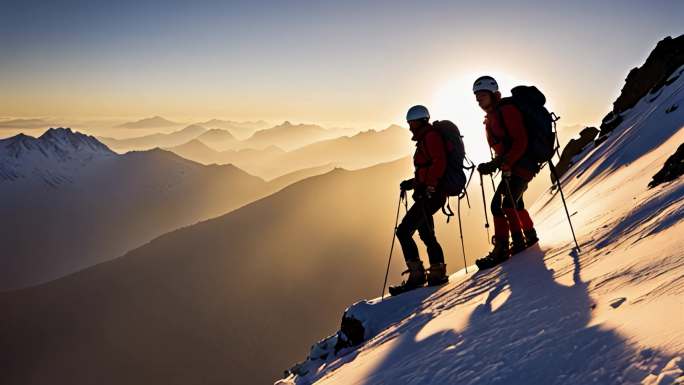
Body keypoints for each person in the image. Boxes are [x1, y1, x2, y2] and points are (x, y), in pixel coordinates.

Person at [473, 76, 539, 269]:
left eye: (482, 96)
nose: (478, 100)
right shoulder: (493, 115)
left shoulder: (507, 111)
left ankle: (505, 247)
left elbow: (520, 141)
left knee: (501, 205)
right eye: (477, 97)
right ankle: (529, 236)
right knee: (514, 202)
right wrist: (496, 163)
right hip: (514, 165)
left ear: (493, 94)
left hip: (522, 164)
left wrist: (501, 162)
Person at [389, 105, 450, 295]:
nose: (409, 127)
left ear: (421, 121)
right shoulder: (426, 138)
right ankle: (437, 270)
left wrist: (429, 185)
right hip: (431, 193)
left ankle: (418, 275)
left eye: (411, 123)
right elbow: (429, 167)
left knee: (404, 231)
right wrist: (412, 183)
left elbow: (439, 162)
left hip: (430, 194)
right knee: (426, 233)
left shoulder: (430, 137)